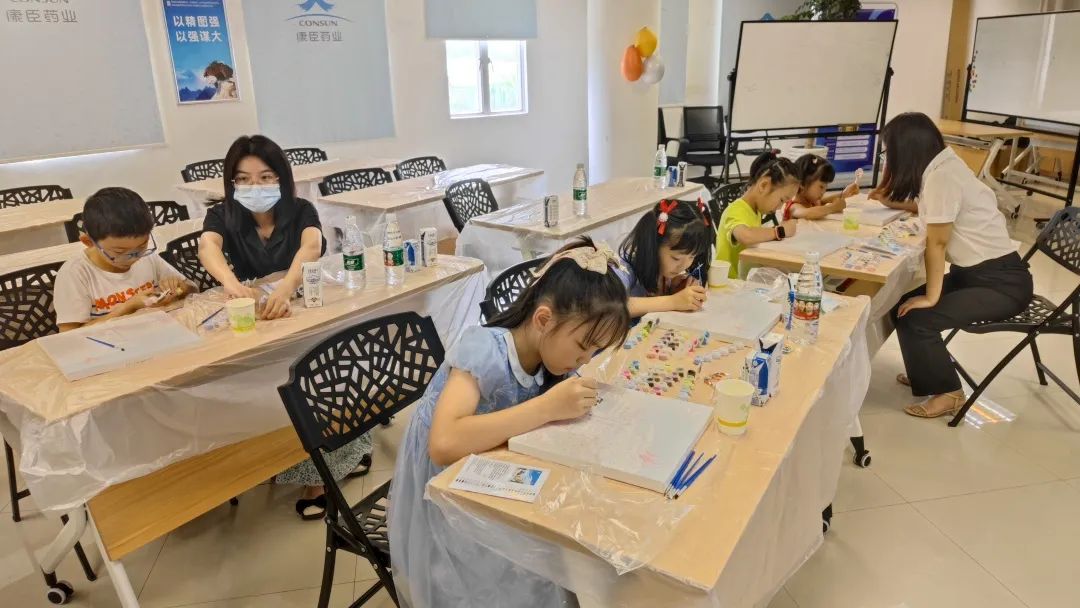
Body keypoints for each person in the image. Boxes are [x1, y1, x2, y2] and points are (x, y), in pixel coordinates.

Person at [388, 238, 631, 608]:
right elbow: (444, 443)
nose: (586, 359)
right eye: (584, 346)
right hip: (446, 489)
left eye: (595, 351)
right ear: (544, 320)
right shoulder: (484, 348)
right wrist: (547, 408)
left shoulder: (548, 358)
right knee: (517, 570)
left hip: (494, 468)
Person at [199, 135, 359, 519]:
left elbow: (311, 247)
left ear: (282, 178)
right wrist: (232, 284)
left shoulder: (300, 209)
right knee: (262, 384)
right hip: (256, 310)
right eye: (243, 179)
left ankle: (322, 473)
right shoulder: (224, 215)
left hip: (301, 300)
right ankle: (278, 455)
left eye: (265, 177)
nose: (254, 187)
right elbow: (208, 248)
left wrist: (286, 288)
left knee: (314, 376)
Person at [885, 112, 1033, 419]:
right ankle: (928, 372)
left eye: (890, 151)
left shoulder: (942, 176)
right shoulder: (943, 167)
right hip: (978, 275)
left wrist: (931, 297)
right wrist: (891, 201)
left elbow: (937, 244)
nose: (888, 157)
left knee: (918, 316)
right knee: (901, 305)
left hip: (1001, 285)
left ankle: (950, 394)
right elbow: (933, 208)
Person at [53, 188, 194, 332]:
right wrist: (128, 307)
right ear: (89, 242)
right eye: (119, 252)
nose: (134, 258)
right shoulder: (75, 273)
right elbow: (68, 335)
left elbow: (192, 289)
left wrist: (180, 289)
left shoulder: (147, 257)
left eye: (142, 245)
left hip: (154, 332)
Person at [615, 199, 713, 318]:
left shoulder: (665, 276)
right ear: (653, 246)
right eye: (676, 258)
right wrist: (673, 301)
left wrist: (675, 289)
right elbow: (610, 305)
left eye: (692, 256)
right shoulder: (624, 270)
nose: (684, 266)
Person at [716, 151, 801, 278]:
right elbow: (745, 235)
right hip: (730, 283)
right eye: (781, 200)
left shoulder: (755, 211)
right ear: (764, 185)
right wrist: (780, 231)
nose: (780, 207)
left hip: (746, 278)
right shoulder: (735, 210)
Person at [781, 154, 859, 221]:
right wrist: (833, 207)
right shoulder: (794, 207)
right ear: (802, 184)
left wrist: (844, 193)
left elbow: (825, 200)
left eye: (825, 187)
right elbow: (808, 213)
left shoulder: (811, 201)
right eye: (821, 187)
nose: (824, 191)